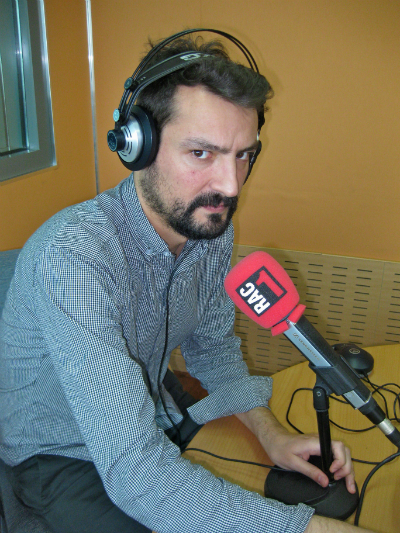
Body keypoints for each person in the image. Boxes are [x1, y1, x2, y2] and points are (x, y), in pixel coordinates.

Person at [0, 30, 376, 533]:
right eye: (202, 153)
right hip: (59, 455)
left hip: (151, 411)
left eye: (243, 154)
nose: (230, 186)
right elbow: (138, 474)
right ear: (137, 146)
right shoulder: (75, 257)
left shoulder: (209, 232)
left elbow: (213, 351)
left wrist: (272, 436)